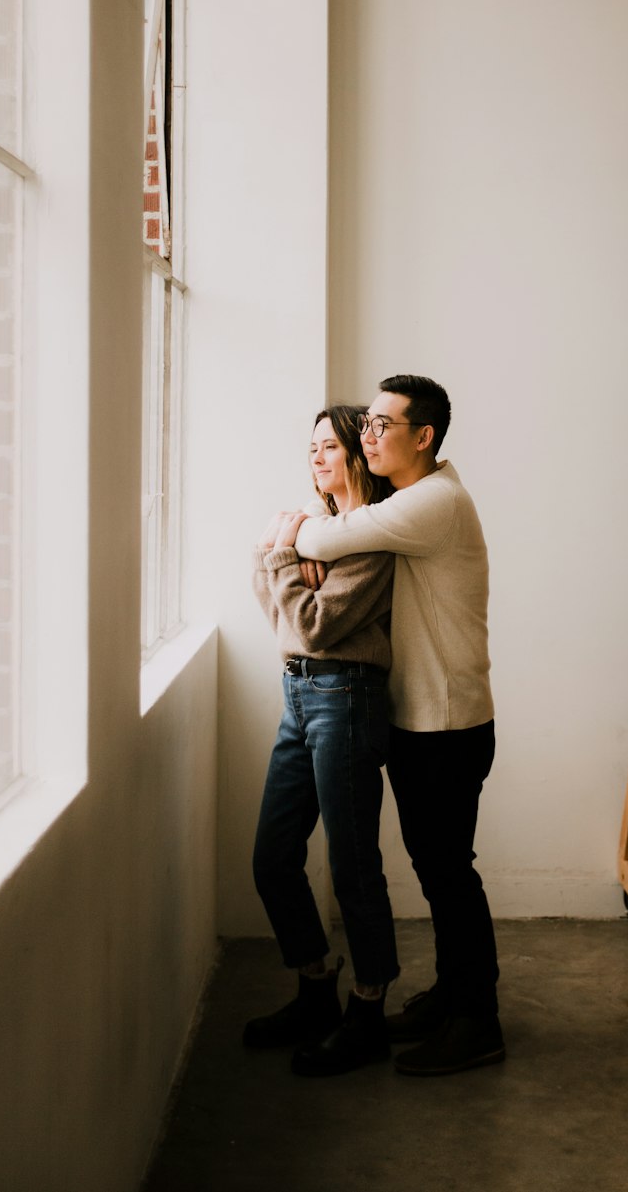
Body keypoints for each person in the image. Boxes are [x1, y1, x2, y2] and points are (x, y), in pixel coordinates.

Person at [291, 374, 503, 1076]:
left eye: (384, 425)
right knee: (438, 867)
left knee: (448, 872)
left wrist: (285, 532)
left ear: (425, 437)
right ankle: (452, 996)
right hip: (427, 719)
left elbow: (325, 531)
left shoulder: (431, 502)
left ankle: (478, 1022)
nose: (368, 435)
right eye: (368, 423)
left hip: (446, 723)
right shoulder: (418, 500)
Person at [245, 404, 399, 1077]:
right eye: (310, 446)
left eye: (329, 445)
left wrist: (283, 555)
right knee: (273, 856)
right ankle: (316, 989)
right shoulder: (315, 529)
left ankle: (367, 1008)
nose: (315, 456)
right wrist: (284, 562)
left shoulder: (370, 537)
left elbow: (312, 624)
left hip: (347, 696)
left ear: (358, 456)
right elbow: (273, 605)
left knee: (352, 863)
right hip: (298, 694)